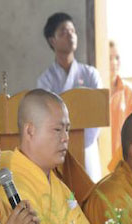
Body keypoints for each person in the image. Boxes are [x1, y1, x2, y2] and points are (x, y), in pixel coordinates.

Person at [0, 89, 99, 224]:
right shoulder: (15, 194)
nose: (65, 138)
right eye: (57, 129)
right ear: (30, 131)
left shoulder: (60, 187)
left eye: (67, 130)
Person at [37, 12, 103, 182]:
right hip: (58, 148)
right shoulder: (46, 80)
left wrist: (83, 142)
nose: (70, 35)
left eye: (72, 31)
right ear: (52, 40)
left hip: (87, 146)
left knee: (91, 189)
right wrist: (64, 142)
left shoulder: (91, 74)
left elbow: (99, 113)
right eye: (63, 32)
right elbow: (46, 117)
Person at [107, 40, 132, 172]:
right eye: (109, 58)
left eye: (117, 57)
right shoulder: (94, 90)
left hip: (121, 162)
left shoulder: (128, 91)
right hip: (98, 157)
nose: (114, 62)